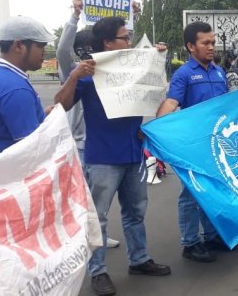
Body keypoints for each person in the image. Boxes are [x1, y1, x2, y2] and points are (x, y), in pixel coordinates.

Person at [54, 17, 170, 296]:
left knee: (135, 212)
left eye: (129, 38)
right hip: (103, 157)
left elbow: (156, 92)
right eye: (124, 38)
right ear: (107, 42)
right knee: (99, 218)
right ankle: (98, 272)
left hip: (133, 152)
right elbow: (61, 104)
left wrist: (156, 59)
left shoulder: (132, 65)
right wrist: (73, 76)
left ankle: (139, 259)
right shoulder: (89, 70)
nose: (129, 42)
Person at [154, 21, 231, 263]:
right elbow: (171, 102)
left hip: (216, 144)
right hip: (194, 146)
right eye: (205, 43)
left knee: (212, 190)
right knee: (190, 194)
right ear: (190, 46)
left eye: (213, 43)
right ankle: (190, 242)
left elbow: (228, 104)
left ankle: (211, 236)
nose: (211, 47)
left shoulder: (219, 72)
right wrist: (156, 127)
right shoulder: (184, 74)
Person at [56, 0, 123, 249]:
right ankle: (79, 237)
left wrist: (134, 19)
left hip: (95, 141)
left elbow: (125, 53)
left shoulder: (106, 68)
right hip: (76, 143)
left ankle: (95, 234)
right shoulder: (73, 68)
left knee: (94, 198)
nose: (85, 51)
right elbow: (62, 49)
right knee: (76, 195)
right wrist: (75, 15)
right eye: (80, 47)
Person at [0, 16, 55, 154]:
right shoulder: (15, 88)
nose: (44, 52)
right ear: (19, 46)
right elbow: (31, 148)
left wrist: (40, 115)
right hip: (9, 172)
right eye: (40, 46)